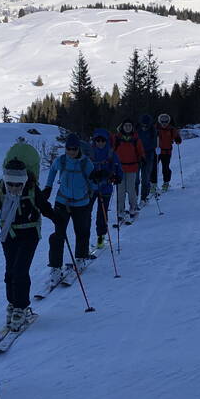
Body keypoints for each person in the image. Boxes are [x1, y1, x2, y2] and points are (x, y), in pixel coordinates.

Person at [0, 159, 57, 331]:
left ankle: (21, 307)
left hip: (30, 232)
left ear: (24, 181)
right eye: (10, 183)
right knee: (10, 272)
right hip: (9, 234)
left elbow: (44, 207)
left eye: (18, 184)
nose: (14, 188)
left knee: (20, 271)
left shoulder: (32, 188)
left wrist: (58, 220)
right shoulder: (0, 189)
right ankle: (12, 304)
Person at [43, 133, 103, 282]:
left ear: (79, 149)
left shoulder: (86, 163)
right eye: (68, 148)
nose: (71, 152)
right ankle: (55, 267)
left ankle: (81, 257)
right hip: (62, 202)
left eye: (74, 149)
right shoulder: (61, 160)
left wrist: (97, 181)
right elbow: (52, 170)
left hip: (81, 203)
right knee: (58, 235)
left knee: (82, 231)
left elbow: (92, 183)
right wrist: (48, 187)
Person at [88, 127, 122, 248]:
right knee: (87, 213)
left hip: (106, 187)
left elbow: (118, 166)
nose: (100, 143)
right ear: (94, 141)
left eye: (103, 140)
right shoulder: (90, 152)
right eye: (98, 140)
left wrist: (118, 176)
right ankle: (85, 240)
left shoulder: (111, 152)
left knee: (102, 214)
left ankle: (100, 238)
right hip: (91, 188)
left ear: (107, 141)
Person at [112, 119, 146, 225]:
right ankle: (120, 211)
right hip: (120, 168)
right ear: (122, 127)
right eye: (126, 125)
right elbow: (112, 150)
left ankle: (133, 208)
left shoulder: (136, 138)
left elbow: (140, 150)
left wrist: (143, 158)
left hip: (132, 168)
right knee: (120, 192)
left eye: (129, 126)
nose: (127, 127)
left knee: (131, 190)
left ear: (132, 127)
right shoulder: (117, 138)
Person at [155, 113, 183, 190]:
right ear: (160, 121)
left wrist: (178, 139)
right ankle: (153, 184)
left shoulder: (171, 129)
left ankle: (166, 183)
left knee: (165, 168)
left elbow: (177, 137)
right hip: (157, 151)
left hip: (167, 152)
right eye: (162, 121)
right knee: (154, 167)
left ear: (168, 121)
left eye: (166, 121)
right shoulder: (156, 128)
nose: (164, 123)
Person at [135, 114, 157, 203]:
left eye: (146, 125)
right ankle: (135, 197)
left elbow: (154, 143)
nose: (144, 127)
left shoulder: (152, 131)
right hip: (136, 157)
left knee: (145, 178)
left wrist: (145, 152)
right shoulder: (136, 130)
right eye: (143, 125)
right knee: (135, 179)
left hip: (148, 156)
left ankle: (144, 197)